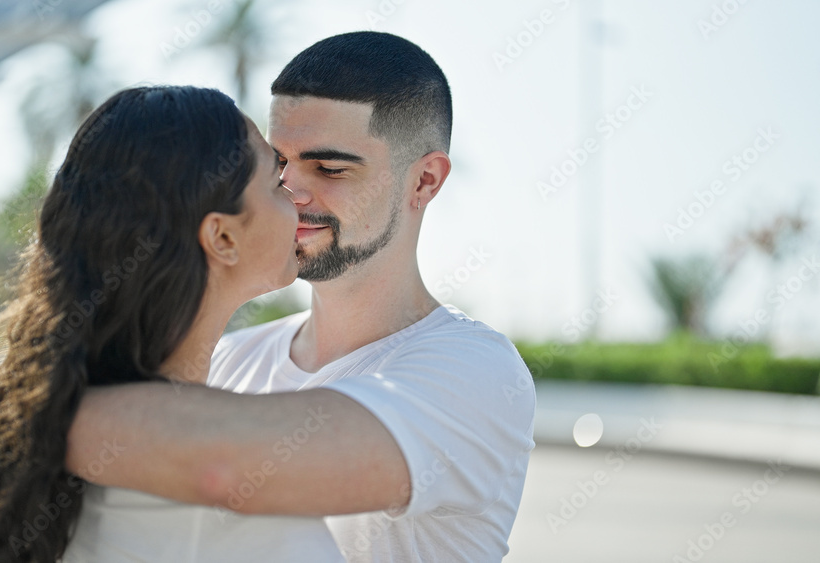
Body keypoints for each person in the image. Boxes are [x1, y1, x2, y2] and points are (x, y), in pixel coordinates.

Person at [66, 31, 537, 562]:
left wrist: (33, 414)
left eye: (330, 169)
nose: (292, 191)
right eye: (279, 165)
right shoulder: (233, 357)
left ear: (424, 180)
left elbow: (225, 466)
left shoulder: (476, 372)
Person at [0, 85, 344, 562]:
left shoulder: (62, 431)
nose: (301, 201)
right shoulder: (235, 493)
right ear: (222, 237)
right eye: (276, 182)